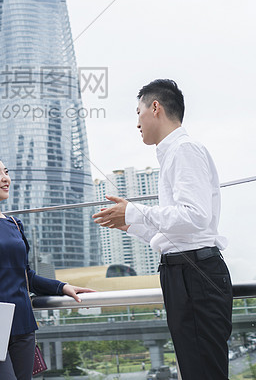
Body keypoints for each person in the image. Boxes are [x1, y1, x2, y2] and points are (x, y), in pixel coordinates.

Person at [93, 79, 232, 379]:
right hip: (183, 272)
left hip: (195, 272)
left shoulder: (184, 149)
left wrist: (135, 209)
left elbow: (195, 216)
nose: (137, 123)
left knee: (204, 372)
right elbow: (175, 235)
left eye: (138, 112)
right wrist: (130, 223)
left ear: (155, 108)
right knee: (197, 371)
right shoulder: (172, 154)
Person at [0, 152, 95, 379]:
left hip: (23, 325)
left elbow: (26, 276)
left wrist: (62, 287)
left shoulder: (14, 224)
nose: (5, 178)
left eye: (6, 172)